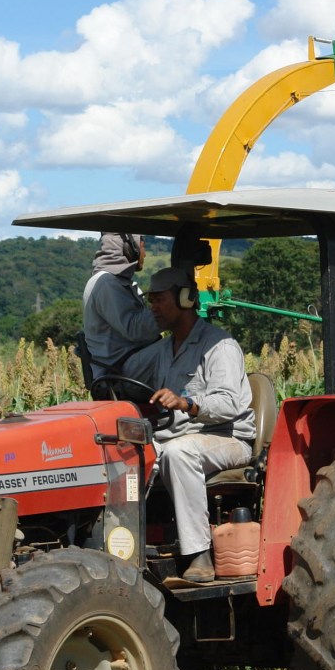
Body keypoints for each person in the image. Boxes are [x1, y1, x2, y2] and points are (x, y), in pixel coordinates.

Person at [124, 265, 254, 583]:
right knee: (124, 454)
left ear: (186, 298)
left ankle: (199, 554)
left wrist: (187, 403)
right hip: (179, 436)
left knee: (179, 453)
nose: (153, 307)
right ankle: (128, 547)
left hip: (226, 438)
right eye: (150, 300)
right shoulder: (163, 349)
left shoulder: (220, 347)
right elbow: (128, 373)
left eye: (159, 300)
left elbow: (228, 405)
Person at [81, 232, 159, 378]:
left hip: (129, 363)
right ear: (130, 248)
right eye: (143, 246)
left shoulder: (120, 283)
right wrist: (168, 311)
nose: (145, 254)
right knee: (181, 349)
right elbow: (135, 330)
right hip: (120, 370)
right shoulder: (107, 283)